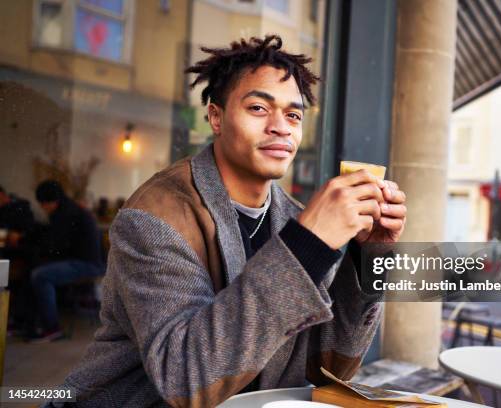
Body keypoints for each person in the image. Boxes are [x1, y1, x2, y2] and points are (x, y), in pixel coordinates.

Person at [52, 35, 406, 407]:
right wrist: (308, 245)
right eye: (258, 108)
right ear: (216, 117)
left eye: (293, 115)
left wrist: (369, 257)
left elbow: (330, 365)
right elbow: (186, 379)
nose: (281, 127)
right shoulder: (154, 217)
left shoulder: (294, 216)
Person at [28, 180, 105, 342]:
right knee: (35, 269)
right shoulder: (68, 208)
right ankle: (28, 321)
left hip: (88, 265)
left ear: (50, 201)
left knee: (40, 275)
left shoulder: (65, 213)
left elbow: (57, 245)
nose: (42, 207)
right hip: (86, 260)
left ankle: (51, 329)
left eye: (43, 203)